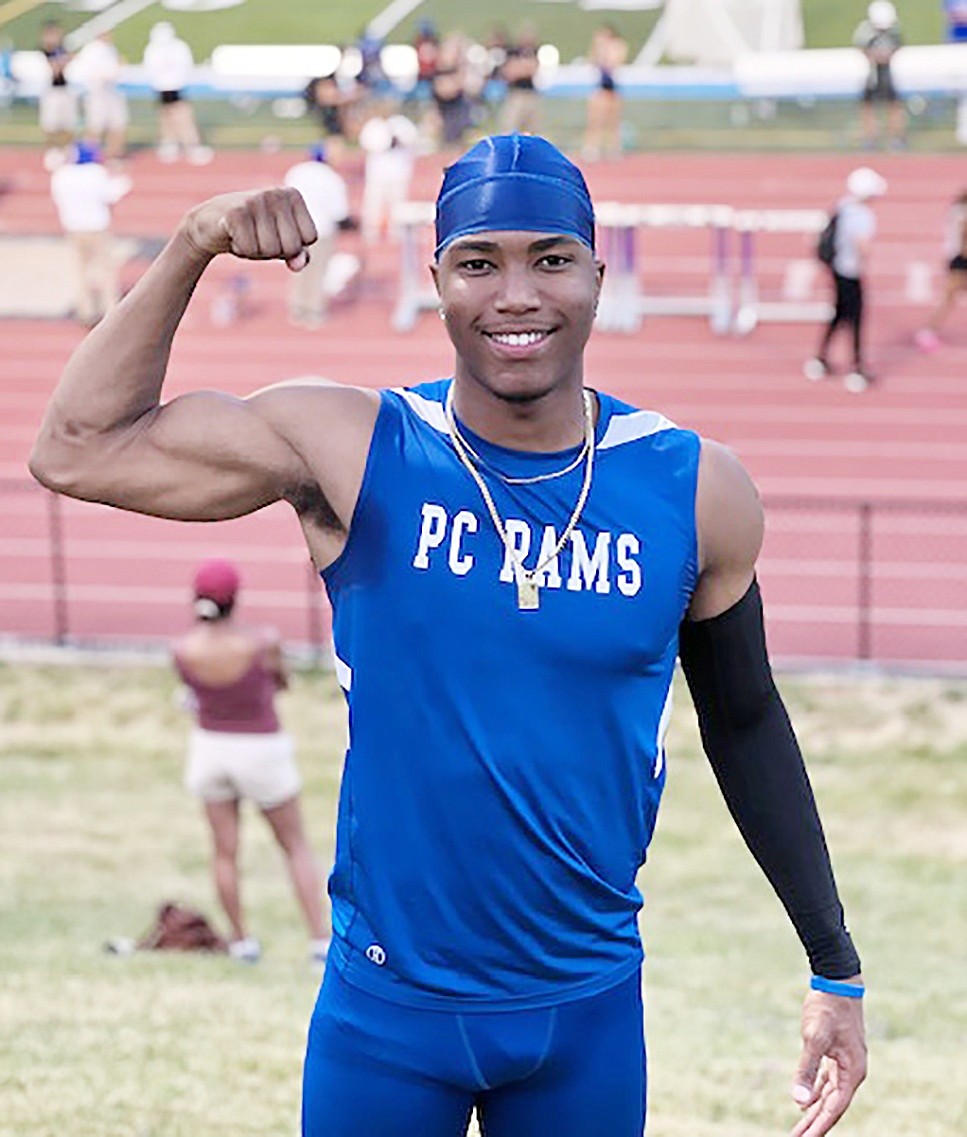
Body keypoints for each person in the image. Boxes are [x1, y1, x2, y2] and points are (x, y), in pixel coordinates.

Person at [30, 133, 867, 1137]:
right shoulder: (351, 446)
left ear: (597, 276)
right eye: (479, 262)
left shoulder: (695, 491)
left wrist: (833, 965)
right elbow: (77, 450)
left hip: (583, 1016)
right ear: (436, 280)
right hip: (386, 1018)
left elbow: (746, 723)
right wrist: (190, 247)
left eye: (550, 259)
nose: (516, 293)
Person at [173, 558, 329, 965]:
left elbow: (192, 693)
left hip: (210, 749)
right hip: (261, 748)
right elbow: (281, 682)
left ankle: (242, 942)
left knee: (224, 850)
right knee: (294, 844)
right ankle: (318, 941)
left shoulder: (183, 650)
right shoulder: (261, 643)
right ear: (234, 600)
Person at [804, 166, 887, 393]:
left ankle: (820, 359)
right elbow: (863, 246)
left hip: (837, 268)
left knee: (839, 314)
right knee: (856, 319)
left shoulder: (843, 205)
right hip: (850, 272)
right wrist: (866, 259)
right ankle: (857, 368)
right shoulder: (863, 216)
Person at [49, 140, 131, 326]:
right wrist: (121, 175)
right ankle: (110, 308)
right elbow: (113, 193)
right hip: (97, 227)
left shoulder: (62, 175)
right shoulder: (96, 173)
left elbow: (58, 198)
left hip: (73, 228)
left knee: (80, 270)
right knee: (106, 270)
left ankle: (85, 310)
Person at [282, 143, 351, 327]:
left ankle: (298, 307)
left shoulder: (296, 172)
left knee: (299, 270)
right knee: (319, 272)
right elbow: (339, 211)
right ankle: (314, 309)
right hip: (322, 229)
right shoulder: (332, 178)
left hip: (296, 229)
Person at [142, 22, 212, 165]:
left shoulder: (171, 48)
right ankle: (178, 145)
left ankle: (184, 146)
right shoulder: (167, 48)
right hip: (165, 87)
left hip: (172, 87)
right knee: (174, 117)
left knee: (175, 117)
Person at [915, 189, 967, 352]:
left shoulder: (957, 209)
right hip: (961, 259)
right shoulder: (963, 212)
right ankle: (927, 332)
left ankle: (927, 332)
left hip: (956, 257)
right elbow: (964, 237)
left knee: (949, 298)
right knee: (949, 298)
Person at [358, 112, 419, 245]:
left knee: (397, 204)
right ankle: (370, 232)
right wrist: (388, 139)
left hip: (398, 172)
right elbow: (372, 145)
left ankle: (398, 232)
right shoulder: (373, 126)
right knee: (373, 204)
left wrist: (398, 139)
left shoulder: (402, 123)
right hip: (377, 174)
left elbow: (411, 139)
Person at [853, 1, 905, 151]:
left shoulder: (893, 30)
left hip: (887, 73)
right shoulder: (865, 31)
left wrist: (886, 56)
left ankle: (896, 138)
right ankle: (870, 138)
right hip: (872, 74)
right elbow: (861, 48)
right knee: (868, 106)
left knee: (893, 105)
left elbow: (898, 46)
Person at [72, 31, 128, 162]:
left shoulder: (110, 49)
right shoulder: (92, 50)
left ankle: (113, 155)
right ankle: (89, 155)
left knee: (117, 125)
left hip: (112, 91)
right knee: (95, 126)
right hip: (97, 92)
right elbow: (90, 71)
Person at [583, 23, 628, 161]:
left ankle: (613, 148)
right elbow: (593, 62)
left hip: (612, 88)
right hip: (600, 88)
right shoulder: (598, 49)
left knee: (613, 122)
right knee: (595, 120)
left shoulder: (618, 47)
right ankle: (592, 148)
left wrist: (607, 49)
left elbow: (613, 64)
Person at [38, 21, 77, 166]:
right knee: (51, 125)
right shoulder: (44, 52)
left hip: (65, 90)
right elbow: (54, 70)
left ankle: (67, 151)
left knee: (67, 124)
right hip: (51, 92)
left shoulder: (62, 50)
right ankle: (52, 152)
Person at [498, 25, 541, 136]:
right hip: (516, 93)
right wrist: (523, 68)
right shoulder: (512, 52)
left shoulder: (535, 52)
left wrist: (522, 67)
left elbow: (533, 70)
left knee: (531, 128)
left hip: (530, 93)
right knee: (510, 125)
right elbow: (510, 73)